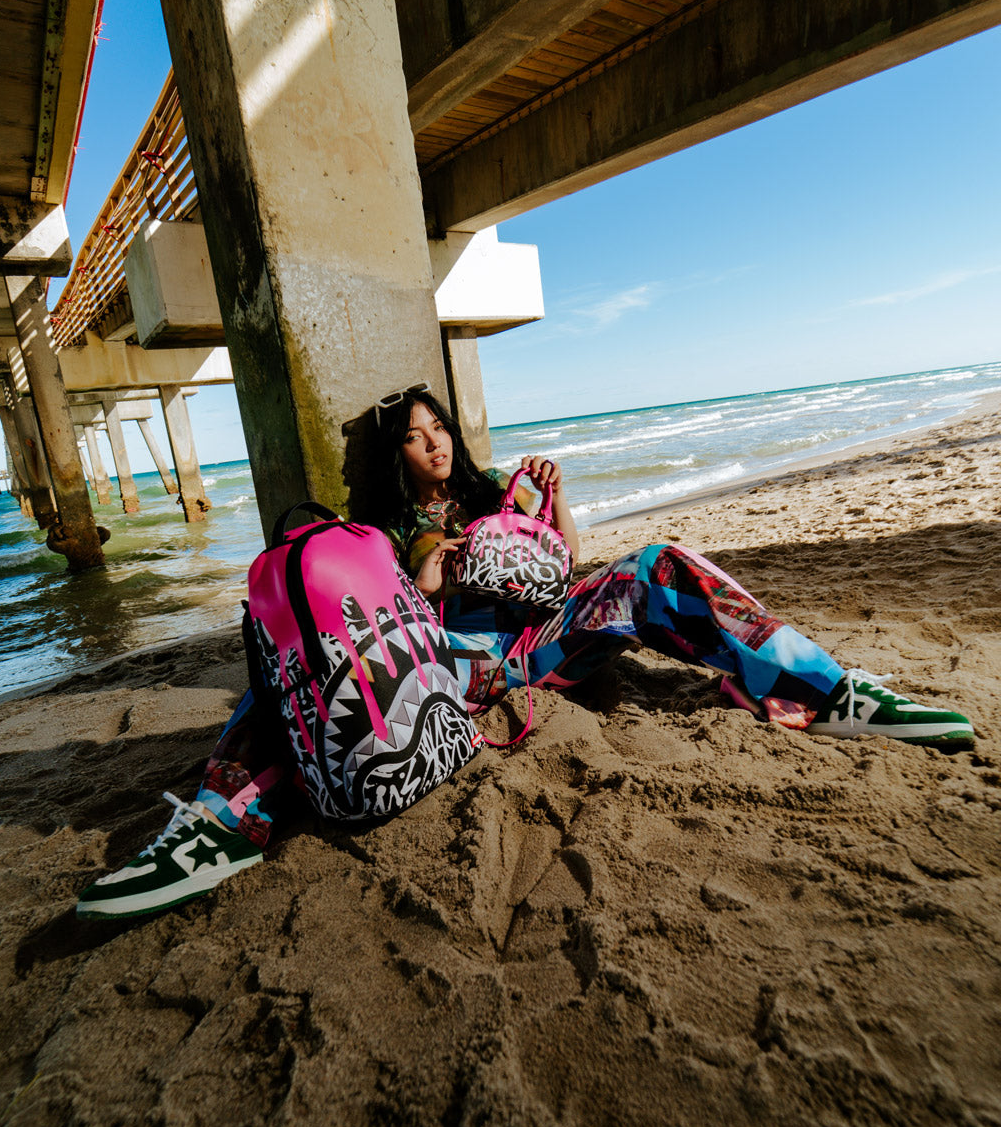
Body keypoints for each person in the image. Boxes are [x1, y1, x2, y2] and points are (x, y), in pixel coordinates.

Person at [76, 385, 974, 921]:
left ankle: (829, 691)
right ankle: (220, 822)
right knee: (300, 670)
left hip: (538, 642)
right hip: (450, 661)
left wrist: (555, 498)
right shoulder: (374, 532)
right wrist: (430, 569)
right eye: (416, 436)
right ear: (396, 455)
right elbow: (397, 621)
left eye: (439, 427)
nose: (436, 442)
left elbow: (566, 564)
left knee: (657, 567)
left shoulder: (491, 492)